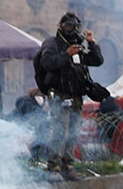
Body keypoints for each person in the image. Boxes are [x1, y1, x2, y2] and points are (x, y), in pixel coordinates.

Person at [35, 12, 104, 180]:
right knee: (60, 130)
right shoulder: (52, 43)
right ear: (60, 26)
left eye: (74, 27)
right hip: (59, 94)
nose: (71, 30)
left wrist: (91, 43)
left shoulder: (78, 44)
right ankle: (54, 167)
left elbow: (97, 60)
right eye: (67, 26)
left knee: (73, 131)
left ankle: (68, 166)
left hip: (76, 95)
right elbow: (47, 62)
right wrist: (66, 54)